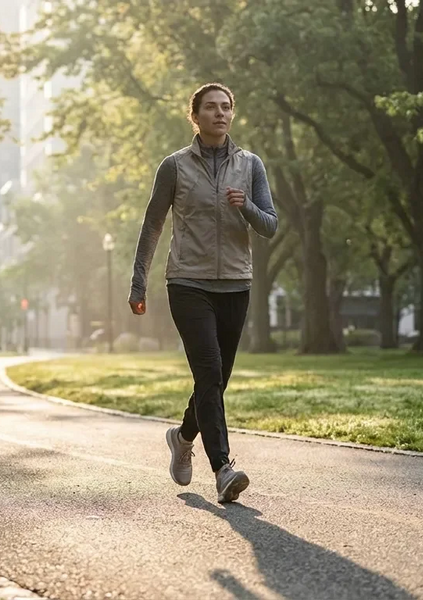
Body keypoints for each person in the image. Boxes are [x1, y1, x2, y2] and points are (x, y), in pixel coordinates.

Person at [128, 83, 278, 503]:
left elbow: (270, 224)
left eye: (226, 107)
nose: (220, 113)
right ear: (194, 116)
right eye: (211, 107)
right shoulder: (174, 166)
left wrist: (245, 205)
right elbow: (153, 224)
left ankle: (182, 436)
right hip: (188, 283)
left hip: (236, 282)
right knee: (209, 372)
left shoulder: (251, 165)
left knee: (217, 379)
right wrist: (139, 281)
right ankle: (223, 468)